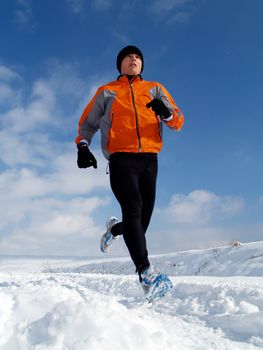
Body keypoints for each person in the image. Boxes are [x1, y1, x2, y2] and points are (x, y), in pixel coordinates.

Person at [75, 45, 184, 301]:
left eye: (137, 57)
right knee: (133, 207)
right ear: (120, 64)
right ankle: (147, 275)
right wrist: (82, 146)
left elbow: (178, 121)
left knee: (140, 224)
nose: (134, 59)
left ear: (142, 65)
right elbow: (87, 123)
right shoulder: (107, 91)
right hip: (121, 158)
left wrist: (166, 114)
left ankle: (114, 230)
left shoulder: (155, 88)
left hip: (150, 158)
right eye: (128, 56)